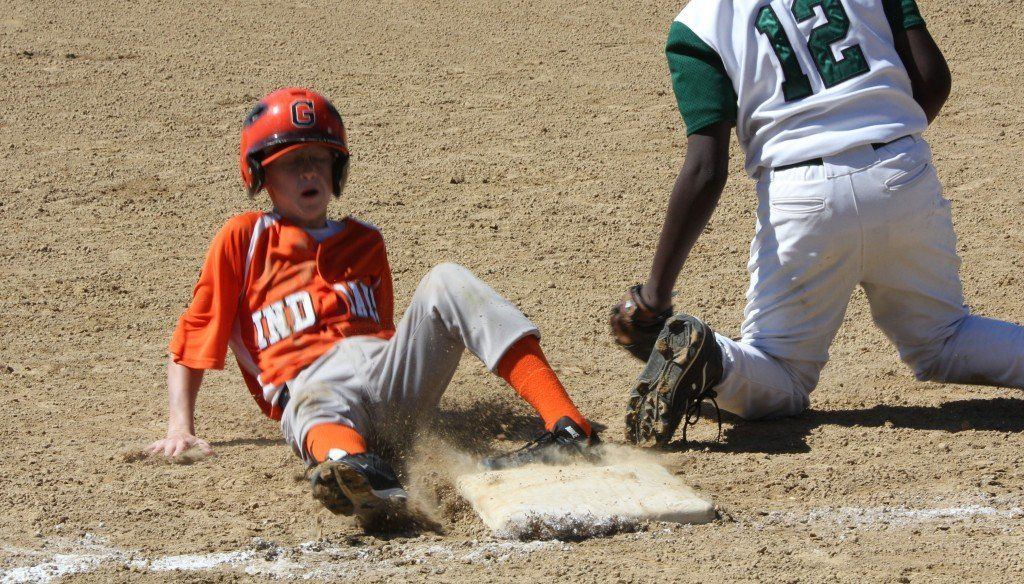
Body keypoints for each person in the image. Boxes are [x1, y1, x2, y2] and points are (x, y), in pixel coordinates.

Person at [147, 87, 599, 526]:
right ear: (261, 175)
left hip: (390, 379)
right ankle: (356, 473)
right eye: (291, 163)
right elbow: (195, 331)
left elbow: (384, 327)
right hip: (310, 386)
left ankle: (567, 426)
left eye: (319, 159)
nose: (309, 172)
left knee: (447, 279)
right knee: (308, 400)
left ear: (336, 168)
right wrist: (178, 427)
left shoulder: (366, 240)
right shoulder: (244, 238)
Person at [609, 1, 1024, 445]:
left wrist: (654, 295)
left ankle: (711, 360)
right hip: (901, 171)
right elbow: (932, 78)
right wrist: (883, 144)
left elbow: (705, 169)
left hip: (803, 195)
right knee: (943, 338)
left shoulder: (698, 24)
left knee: (782, 375)